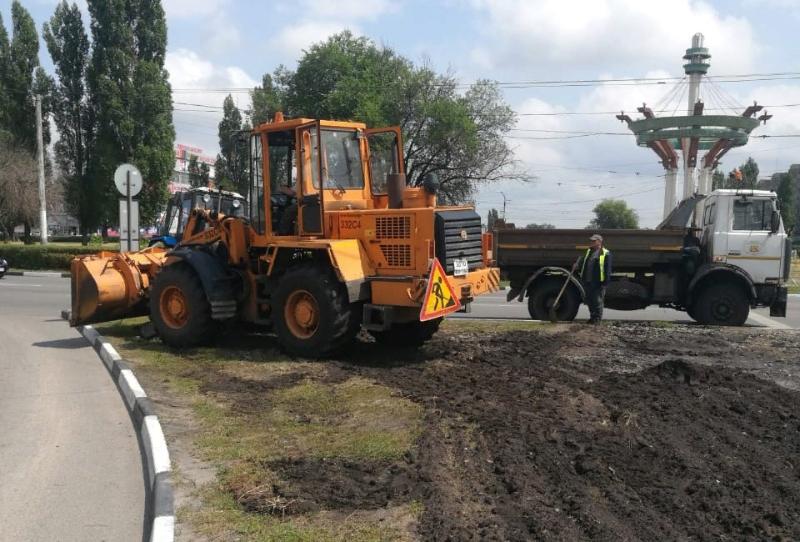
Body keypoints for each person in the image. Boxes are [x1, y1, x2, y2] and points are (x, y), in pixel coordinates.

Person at [577, 234, 612, 324]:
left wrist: (605, 283)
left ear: (599, 242)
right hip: (588, 280)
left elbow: (607, 269)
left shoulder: (605, 253)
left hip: (598, 282)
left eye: (594, 241)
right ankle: (592, 318)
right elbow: (584, 263)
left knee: (597, 301)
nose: (592, 242)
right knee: (589, 300)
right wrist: (577, 265)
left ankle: (597, 319)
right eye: (591, 241)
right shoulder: (589, 251)